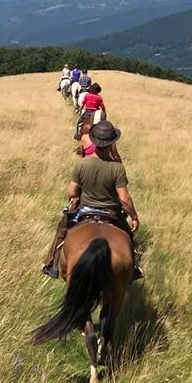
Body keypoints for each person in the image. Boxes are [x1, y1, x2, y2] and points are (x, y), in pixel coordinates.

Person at [42, 120, 142, 280]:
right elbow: (124, 199)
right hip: (111, 212)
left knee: (62, 230)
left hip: (84, 209)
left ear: (94, 141)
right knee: (127, 237)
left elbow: (72, 192)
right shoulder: (117, 168)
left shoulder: (82, 164)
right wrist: (134, 217)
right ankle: (134, 267)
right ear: (111, 143)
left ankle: (51, 264)